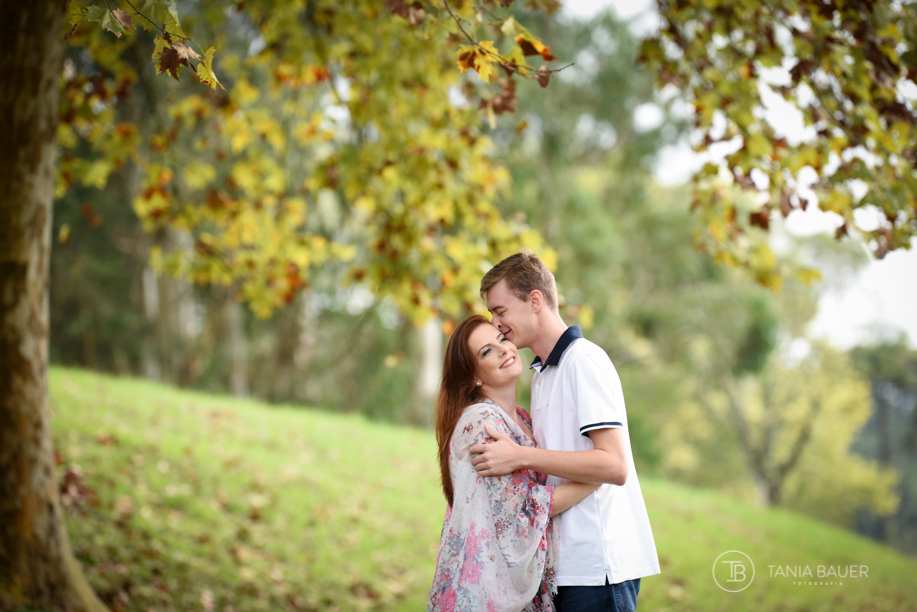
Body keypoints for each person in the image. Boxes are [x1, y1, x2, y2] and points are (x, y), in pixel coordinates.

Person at [470, 251, 659, 612]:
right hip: (566, 568)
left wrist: (519, 456)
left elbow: (614, 465)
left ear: (535, 300)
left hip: (599, 569)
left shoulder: (583, 361)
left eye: (501, 310)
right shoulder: (542, 375)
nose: (496, 324)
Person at [428, 315, 600, 612]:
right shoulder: (481, 422)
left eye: (502, 340)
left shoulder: (523, 417)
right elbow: (520, 514)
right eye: (486, 352)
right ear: (473, 377)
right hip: (482, 594)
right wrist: (598, 473)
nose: (504, 350)